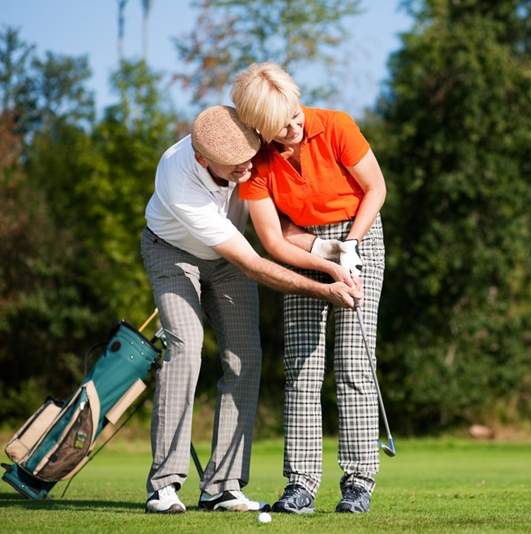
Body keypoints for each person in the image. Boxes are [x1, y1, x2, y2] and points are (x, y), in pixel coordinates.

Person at [141, 105, 362, 514]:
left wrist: (335, 252)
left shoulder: (251, 150)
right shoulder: (179, 177)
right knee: (186, 349)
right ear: (203, 159)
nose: (248, 166)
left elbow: (280, 228)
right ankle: (164, 485)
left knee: (245, 358)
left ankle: (222, 487)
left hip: (227, 260)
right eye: (234, 165)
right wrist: (323, 289)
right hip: (171, 253)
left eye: (249, 155)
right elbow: (255, 263)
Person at [230, 61, 387, 514]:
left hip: (360, 233)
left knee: (355, 362)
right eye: (282, 125)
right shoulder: (256, 162)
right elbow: (273, 240)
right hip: (303, 244)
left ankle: (358, 482)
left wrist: (350, 247)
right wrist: (327, 258)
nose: (295, 126)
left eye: (296, 115)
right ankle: (300, 484)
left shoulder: (337, 126)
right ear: (261, 127)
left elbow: (375, 189)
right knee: (302, 364)